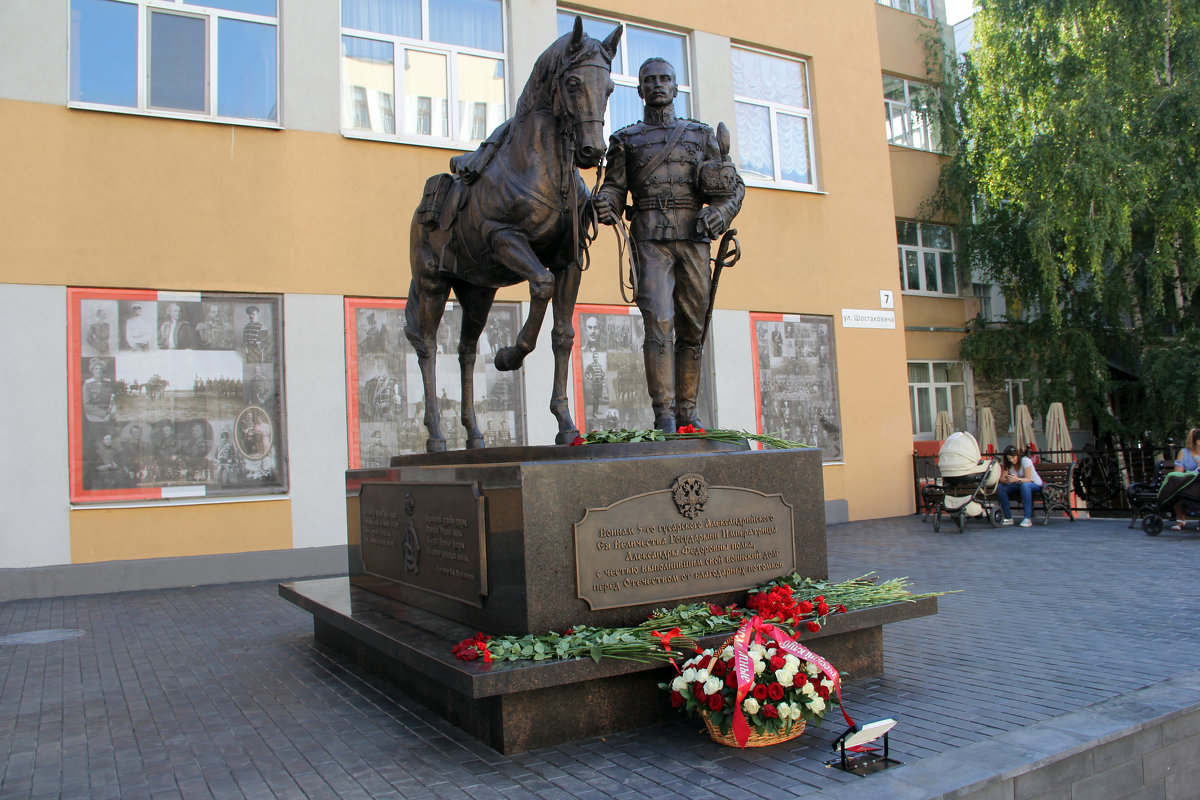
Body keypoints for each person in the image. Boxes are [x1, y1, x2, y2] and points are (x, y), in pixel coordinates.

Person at [595, 57, 744, 432]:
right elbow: (614, 187)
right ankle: (663, 414)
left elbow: (733, 186)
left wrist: (721, 215)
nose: (657, 85)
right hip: (649, 242)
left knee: (693, 329)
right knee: (659, 324)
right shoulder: (626, 140)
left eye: (665, 79)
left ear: (676, 88)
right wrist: (607, 203)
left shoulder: (700, 135)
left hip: (694, 240)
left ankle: (688, 415)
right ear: (640, 89)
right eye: (650, 80)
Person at [997, 444, 1043, 527]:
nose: (1011, 460)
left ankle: (1027, 518)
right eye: (1009, 458)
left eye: (1013, 457)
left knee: (1025, 485)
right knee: (1001, 487)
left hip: (1034, 484)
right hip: (1019, 484)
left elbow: (1028, 479)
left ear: (1017, 455)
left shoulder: (1025, 461)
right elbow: (1002, 479)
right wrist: (1008, 480)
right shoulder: (1008, 464)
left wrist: (1017, 479)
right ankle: (1008, 517)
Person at [1170, 427, 1200, 530]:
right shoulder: (1184, 452)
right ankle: (1181, 519)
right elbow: (1178, 473)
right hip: (1187, 482)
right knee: (1176, 490)